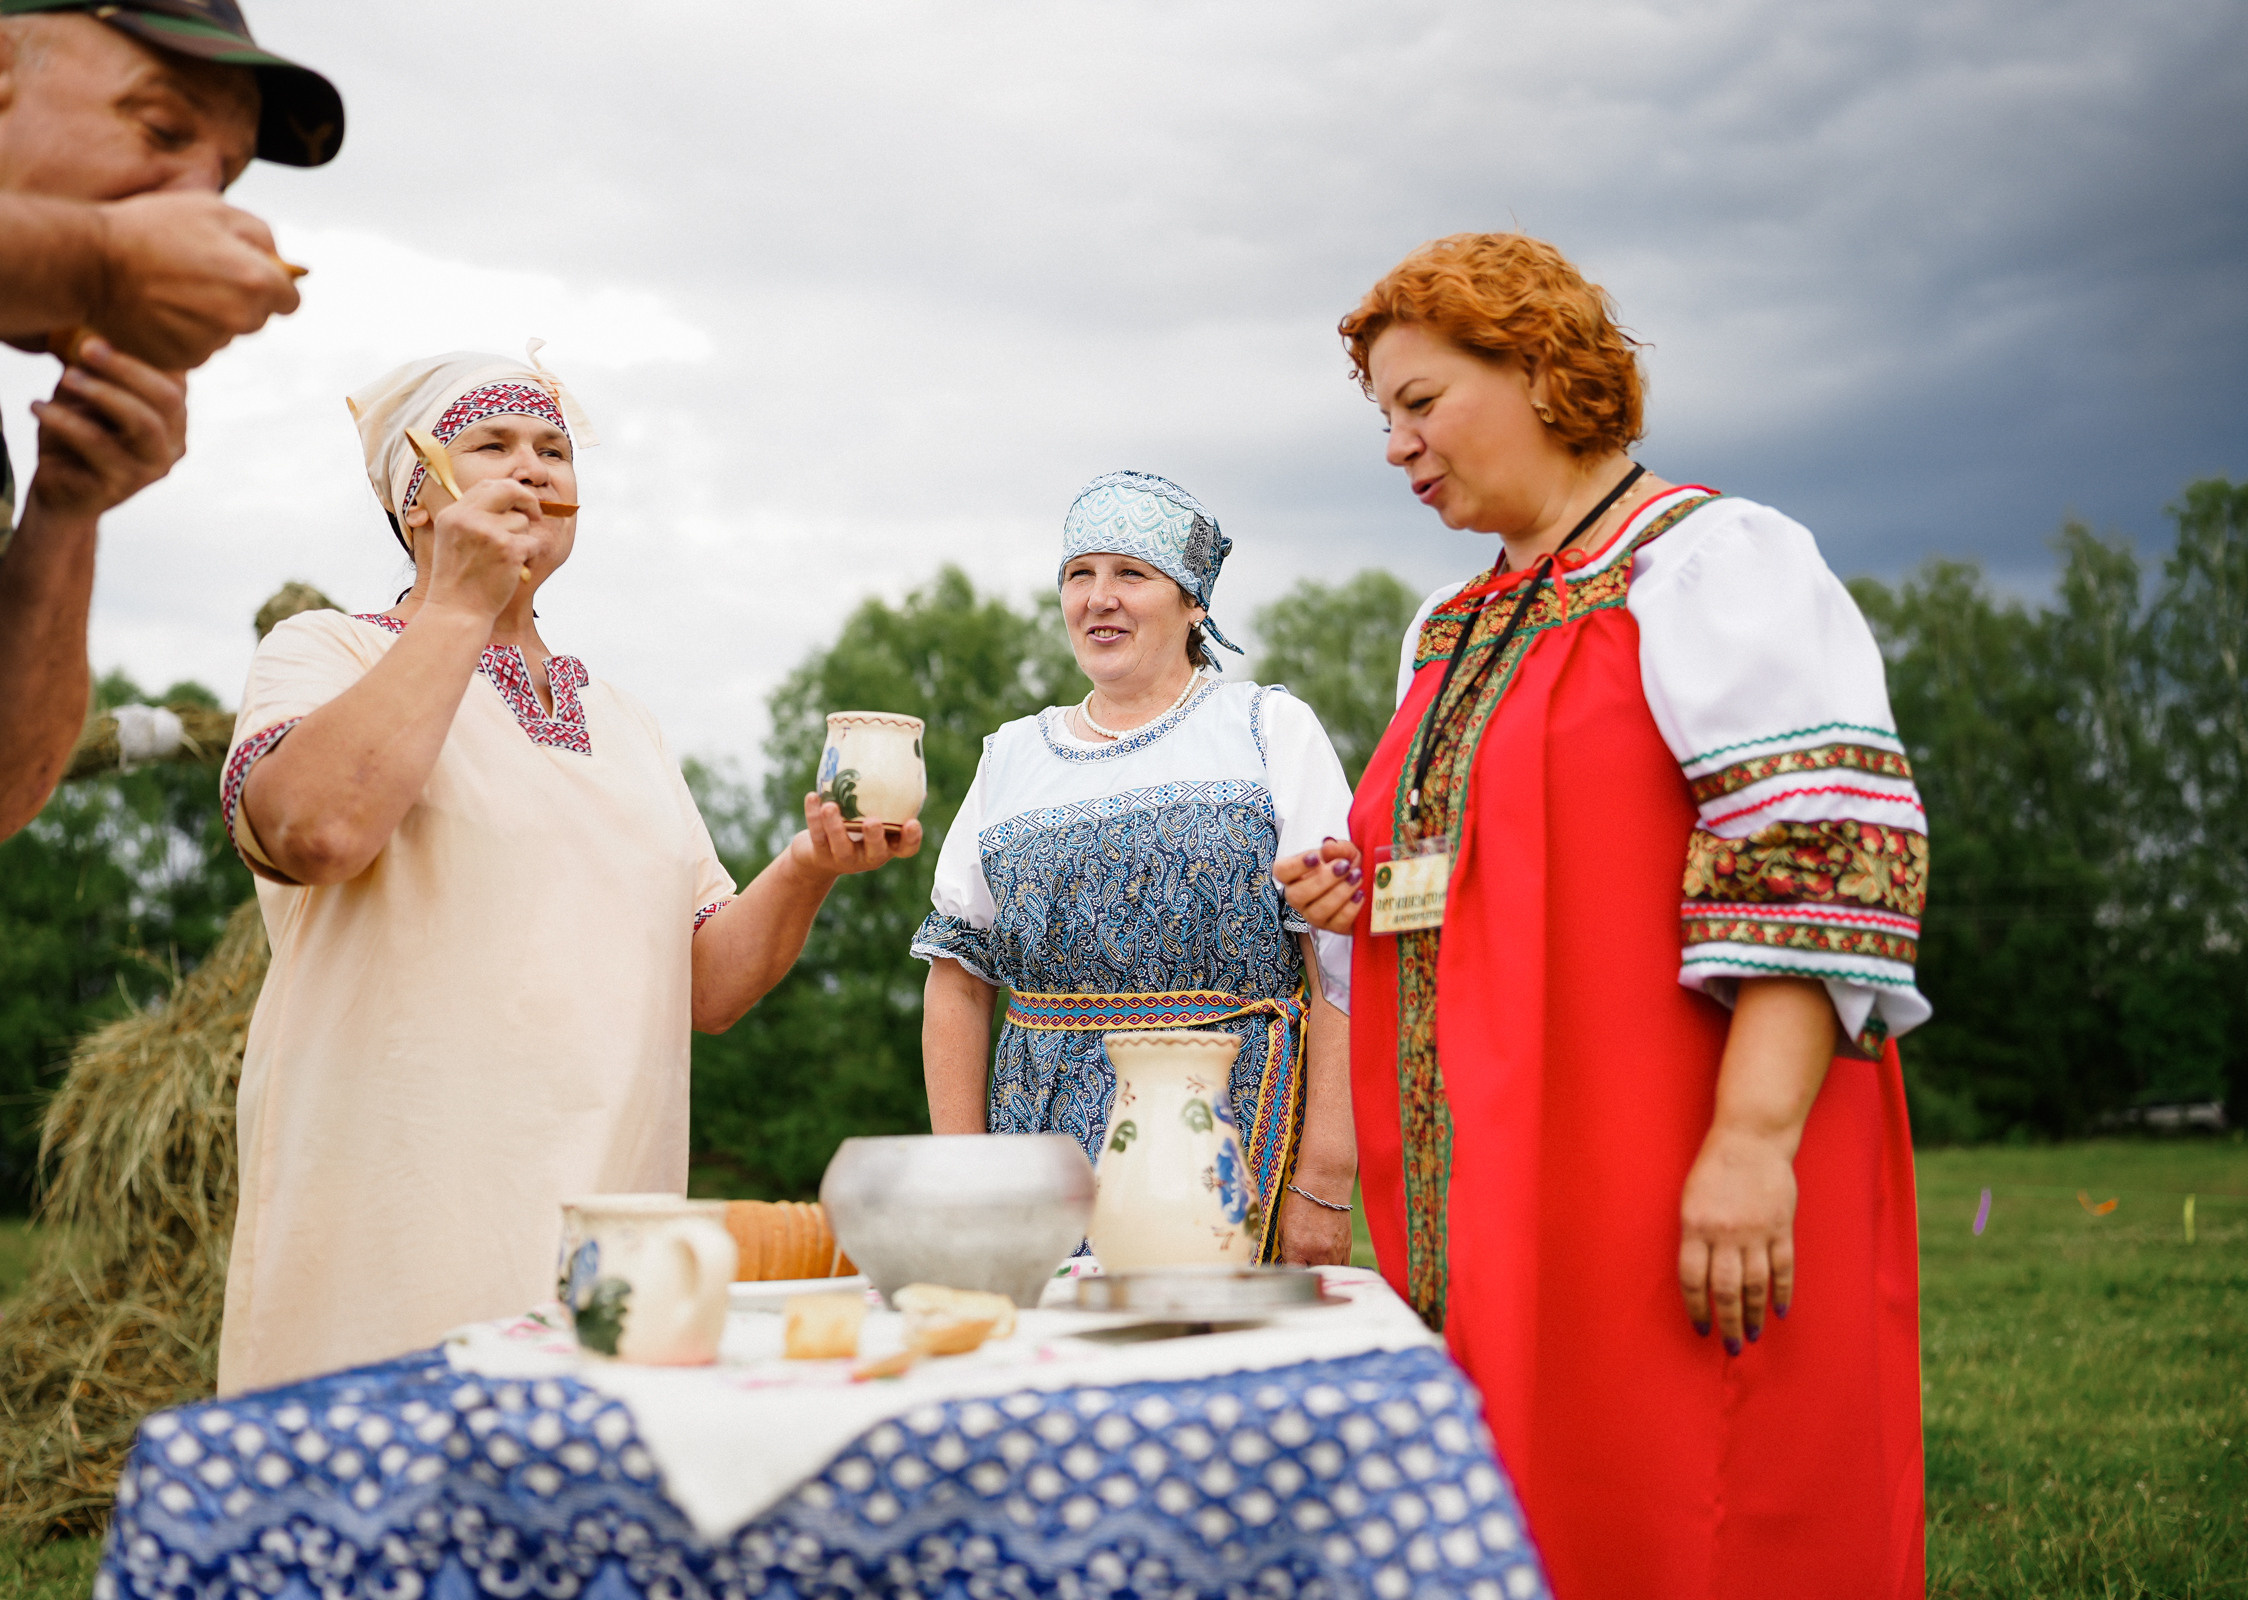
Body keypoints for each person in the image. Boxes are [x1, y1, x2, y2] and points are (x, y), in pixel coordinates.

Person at [1279, 234, 1928, 1598]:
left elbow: (1822, 861)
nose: (1395, 443)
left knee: (1695, 1501)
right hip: (1489, 1177)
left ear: (1536, 370)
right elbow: (1472, 876)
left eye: (1420, 401)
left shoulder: (1713, 566)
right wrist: (1363, 889)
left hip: (1663, 1158)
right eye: (1380, 415)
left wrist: (1752, 1145)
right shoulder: (1448, 627)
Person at [215, 349, 922, 1394]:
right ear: (420, 500)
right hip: (396, 1219)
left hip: (604, 1231)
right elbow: (314, 831)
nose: (534, 467)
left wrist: (809, 863)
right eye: (490, 446)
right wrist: (458, 607)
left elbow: (710, 983)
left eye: (553, 449)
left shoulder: (626, 722)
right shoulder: (325, 653)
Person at [0, 0, 336, 864]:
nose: (194, 206)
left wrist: (69, 508)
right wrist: (104, 261)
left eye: (220, 182)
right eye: (159, 128)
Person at [916, 471, 1358, 1265]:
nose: (1099, 598)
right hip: (1039, 1147)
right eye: (1079, 575)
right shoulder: (1012, 756)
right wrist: (966, 1175)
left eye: (1131, 574)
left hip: (1225, 1133)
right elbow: (957, 975)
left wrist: (1324, 1180)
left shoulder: (1266, 731)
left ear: (1194, 602)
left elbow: (1338, 963)